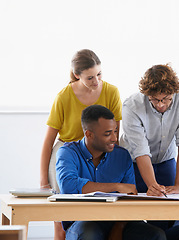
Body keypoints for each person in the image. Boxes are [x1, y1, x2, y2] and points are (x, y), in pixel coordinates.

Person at [39, 49, 122, 239]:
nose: (96, 81)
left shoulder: (111, 91)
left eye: (99, 74)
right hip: (67, 151)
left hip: (99, 151)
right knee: (61, 220)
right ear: (77, 75)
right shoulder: (63, 97)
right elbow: (49, 141)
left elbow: (116, 132)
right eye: (90, 77)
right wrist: (44, 181)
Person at [56, 105, 166, 240]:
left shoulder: (122, 155)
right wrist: (116, 186)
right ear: (89, 134)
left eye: (115, 131)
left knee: (156, 236)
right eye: (107, 134)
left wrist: (118, 227)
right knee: (89, 234)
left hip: (118, 220)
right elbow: (68, 186)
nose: (114, 138)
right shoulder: (67, 152)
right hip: (81, 221)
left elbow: (129, 197)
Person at [120, 63, 179, 197]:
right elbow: (140, 150)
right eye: (154, 100)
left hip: (166, 159)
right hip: (134, 162)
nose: (160, 104)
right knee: (138, 209)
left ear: (175, 92)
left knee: (170, 207)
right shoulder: (131, 106)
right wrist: (152, 185)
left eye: (166, 99)